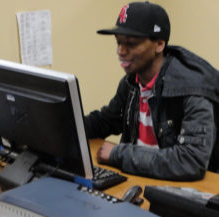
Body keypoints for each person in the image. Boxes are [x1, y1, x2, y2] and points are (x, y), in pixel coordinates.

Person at [84, 1, 219, 181]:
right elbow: (106, 121)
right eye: (118, 42)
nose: (120, 51)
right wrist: (64, 125)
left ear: (160, 44)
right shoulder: (131, 83)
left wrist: (119, 153)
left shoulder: (193, 89)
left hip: (181, 193)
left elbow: (191, 161)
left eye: (131, 43)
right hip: (140, 179)